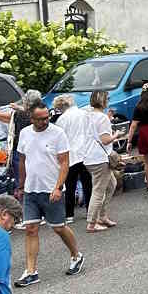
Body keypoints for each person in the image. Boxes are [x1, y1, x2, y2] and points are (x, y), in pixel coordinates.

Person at [14, 104, 84, 287]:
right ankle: (31, 271)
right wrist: (21, 185)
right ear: (32, 119)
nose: (45, 121)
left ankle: (76, 255)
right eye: (40, 118)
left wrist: (58, 187)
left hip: (52, 189)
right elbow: (22, 161)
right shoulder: (25, 134)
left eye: (47, 117)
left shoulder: (57, 133)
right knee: (31, 229)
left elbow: (64, 163)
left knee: (59, 227)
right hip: (31, 190)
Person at [81, 90, 122, 234]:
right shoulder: (102, 118)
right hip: (100, 158)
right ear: (104, 101)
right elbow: (105, 139)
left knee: (111, 184)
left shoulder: (87, 115)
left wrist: (108, 119)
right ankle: (92, 222)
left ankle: (102, 216)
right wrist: (116, 134)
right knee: (98, 191)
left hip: (89, 157)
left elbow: (95, 132)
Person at [51, 95, 92, 226]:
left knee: (70, 185)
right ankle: (89, 211)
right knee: (87, 183)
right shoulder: (84, 113)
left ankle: (69, 214)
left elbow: (59, 138)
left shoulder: (62, 119)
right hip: (85, 152)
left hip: (71, 155)